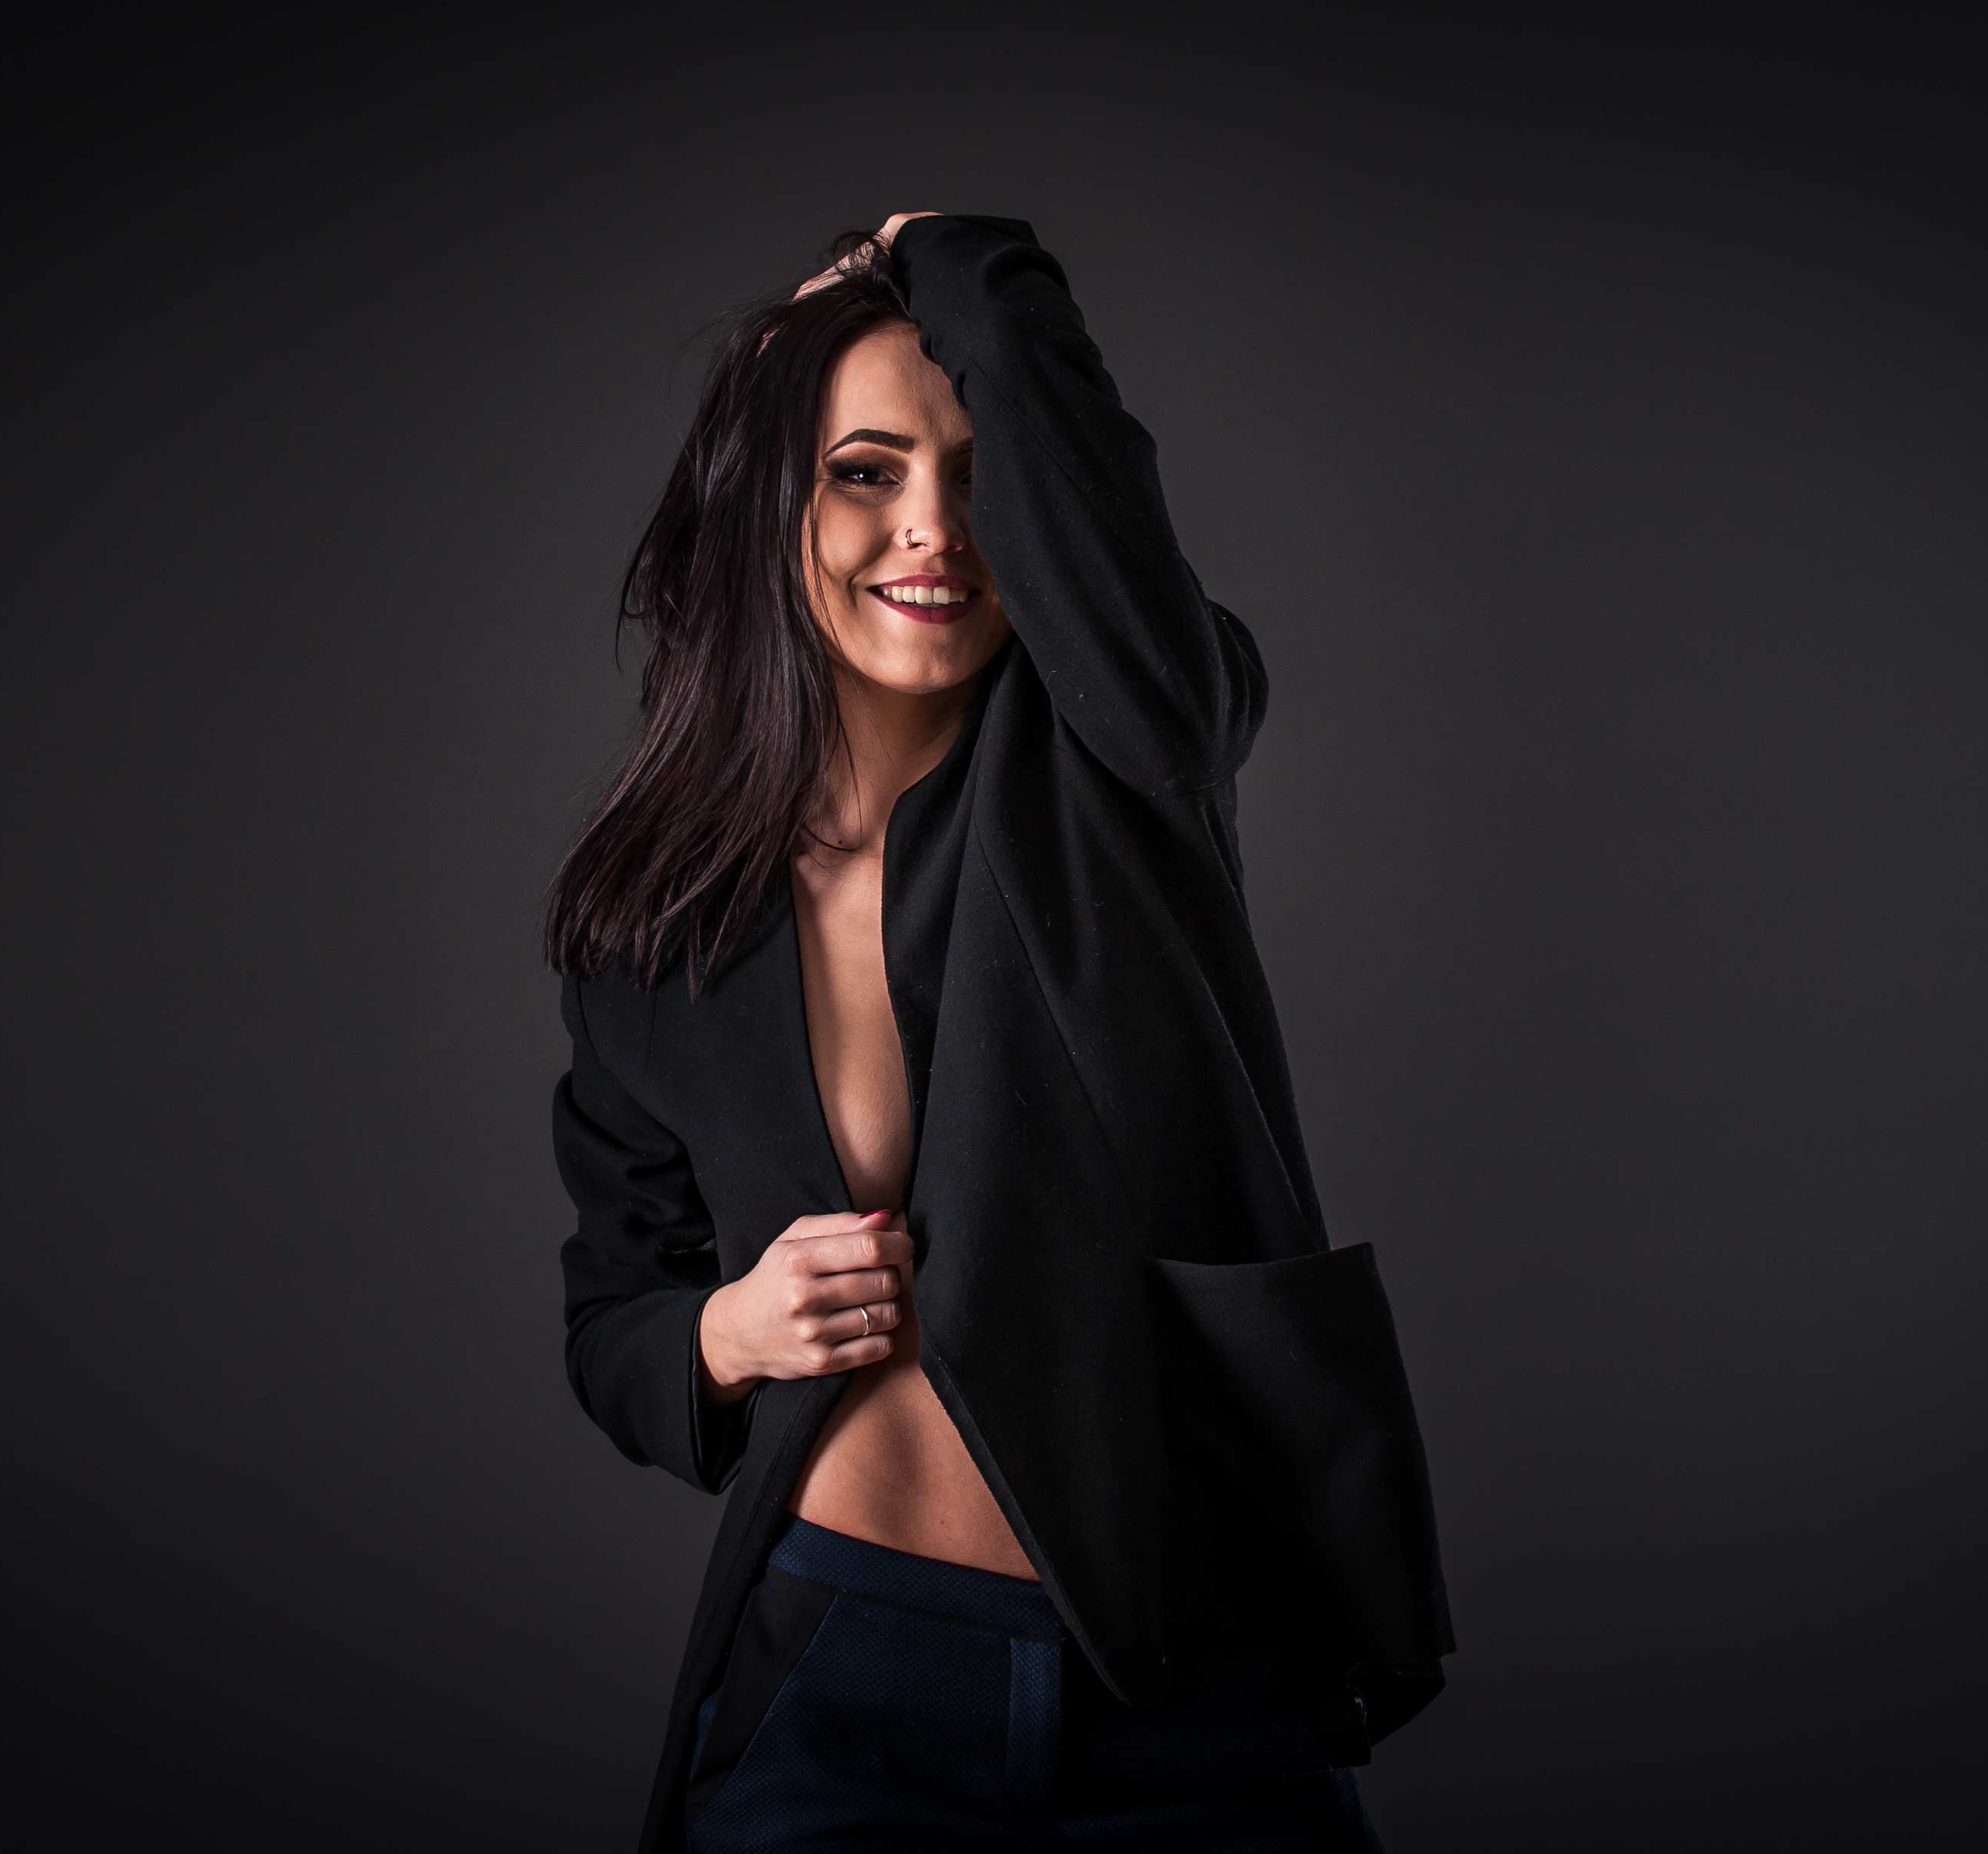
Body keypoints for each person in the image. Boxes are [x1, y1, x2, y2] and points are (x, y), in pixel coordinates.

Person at [548, 211, 1453, 1853]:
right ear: (768, 509)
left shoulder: (1124, 766)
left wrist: (949, 257)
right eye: (864, 473)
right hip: (840, 1671)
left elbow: (1132, 610)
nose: (935, 529)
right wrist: (728, 1333)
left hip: (1179, 1665)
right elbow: (614, 1310)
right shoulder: (656, 922)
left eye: (980, 472)